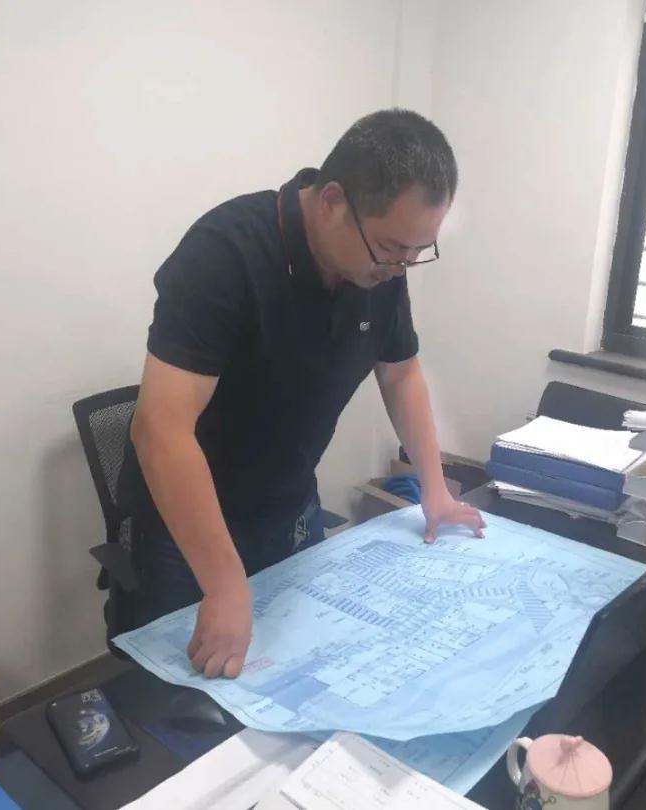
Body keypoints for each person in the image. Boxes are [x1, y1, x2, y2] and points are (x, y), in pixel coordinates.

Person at [117, 108, 485, 681]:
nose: (402, 267)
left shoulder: (380, 268)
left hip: (289, 506)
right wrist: (224, 585)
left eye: (418, 251)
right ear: (333, 201)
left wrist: (434, 490)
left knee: (302, 676)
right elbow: (160, 429)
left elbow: (400, 373)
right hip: (190, 529)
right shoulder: (225, 251)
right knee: (191, 699)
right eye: (392, 248)